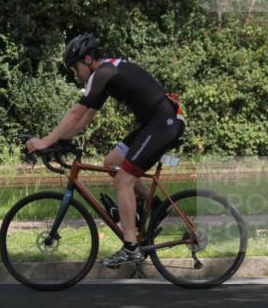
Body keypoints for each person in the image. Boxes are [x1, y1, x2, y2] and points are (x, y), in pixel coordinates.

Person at [24, 33, 185, 267]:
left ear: (88, 59)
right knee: (111, 162)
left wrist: (46, 141)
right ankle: (157, 207)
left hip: (163, 123)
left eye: (75, 68)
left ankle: (131, 247)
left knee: (123, 181)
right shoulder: (106, 75)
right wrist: (62, 141)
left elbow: (75, 113)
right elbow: (85, 118)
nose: (76, 75)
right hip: (155, 122)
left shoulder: (104, 73)